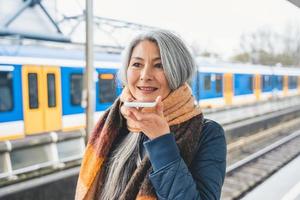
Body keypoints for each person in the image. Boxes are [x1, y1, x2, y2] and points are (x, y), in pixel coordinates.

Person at [75, 29, 227, 200]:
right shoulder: (112, 123)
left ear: (177, 71)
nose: (145, 75)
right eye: (137, 64)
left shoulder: (208, 134)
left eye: (159, 65)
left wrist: (161, 141)